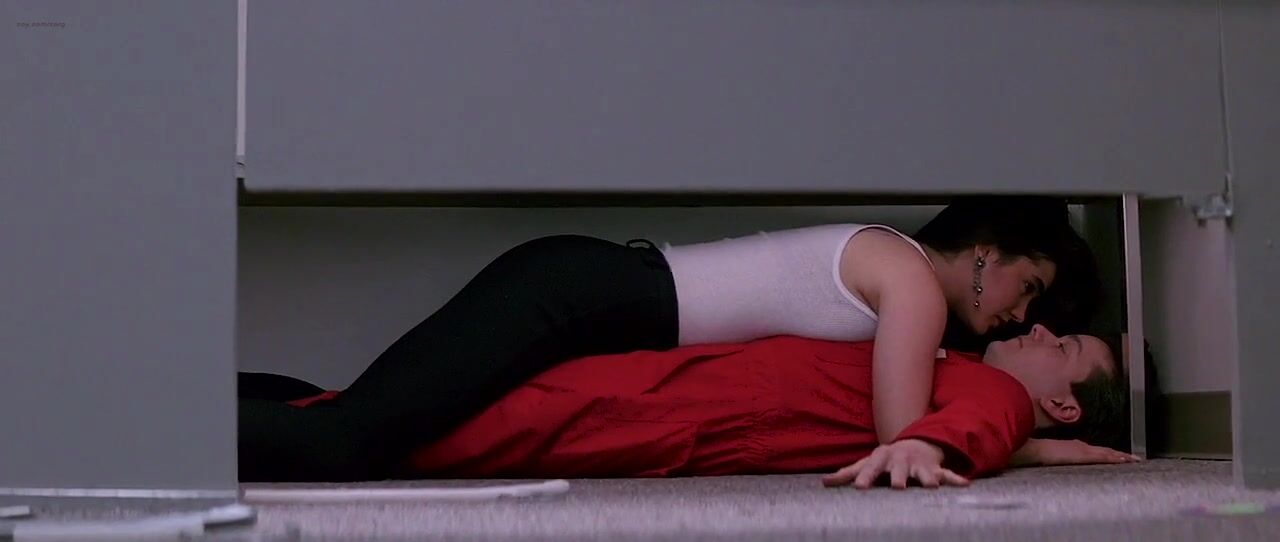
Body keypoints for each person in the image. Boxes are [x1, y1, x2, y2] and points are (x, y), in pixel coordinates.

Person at [238, 196, 1102, 482]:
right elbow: (899, 434)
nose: (1021, 316)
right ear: (986, 251)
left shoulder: (901, 273)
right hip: (574, 298)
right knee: (347, 442)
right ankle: (161, 432)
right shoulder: (911, 280)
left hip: (587, 296)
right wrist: (1028, 444)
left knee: (362, 415)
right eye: (1030, 286)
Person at [272, 325, 1132, 486]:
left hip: (681, 409)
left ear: (1062, 405)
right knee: (434, 411)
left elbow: (976, 422)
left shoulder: (995, 391)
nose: (1042, 329)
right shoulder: (971, 371)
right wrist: (1025, 452)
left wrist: (924, 450)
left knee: (455, 432)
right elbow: (992, 430)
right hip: (686, 392)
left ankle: (271, 431)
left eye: (1064, 346)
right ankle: (286, 415)